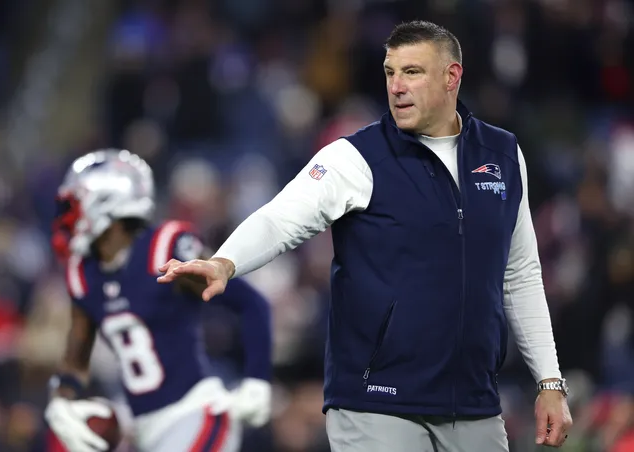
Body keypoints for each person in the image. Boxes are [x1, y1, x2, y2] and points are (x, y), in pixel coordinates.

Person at [158, 20, 573, 451]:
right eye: (390, 72)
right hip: (376, 406)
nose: (397, 86)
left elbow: (520, 274)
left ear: (452, 77)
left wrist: (549, 381)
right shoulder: (355, 157)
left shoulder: (503, 156)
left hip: (474, 404)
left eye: (412, 72)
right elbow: (280, 218)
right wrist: (225, 262)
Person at [44, 149, 272, 452]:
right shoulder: (82, 274)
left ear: (107, 203)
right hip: (142, 429)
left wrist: (257, 380)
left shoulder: (165, 249)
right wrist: (59, 404)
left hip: (196, 412)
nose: (68, 218)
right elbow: (75, 362)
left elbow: (250, 302)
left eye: (74, 206)